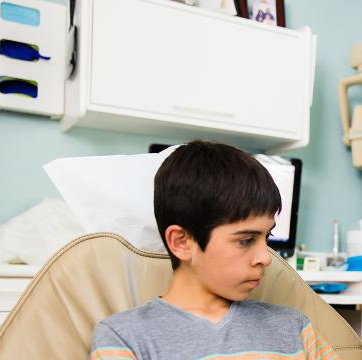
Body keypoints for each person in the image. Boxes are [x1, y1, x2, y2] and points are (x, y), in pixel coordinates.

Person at [89, 140, 338, 360]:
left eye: (267, 236)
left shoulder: (293, 327)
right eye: (246, 239)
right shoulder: (125, 338)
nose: (265, 258)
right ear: (182, 242)